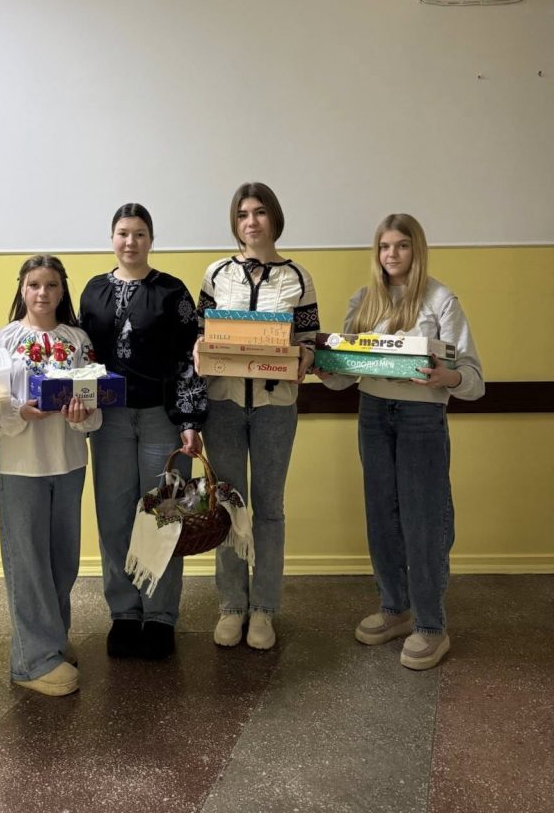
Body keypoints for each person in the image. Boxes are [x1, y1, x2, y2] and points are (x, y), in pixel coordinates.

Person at [317, 213, 484, 669]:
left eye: (402, 245)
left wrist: (447, 376)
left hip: (421, 417)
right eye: (385, 246)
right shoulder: (364, 300)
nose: (392, 254)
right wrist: (324, 367)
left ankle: (431, 624)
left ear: (417, 249)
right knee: (382, 516)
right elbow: (345, 374)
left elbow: (473, 378)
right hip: (373, 413)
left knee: (423, 518)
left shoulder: (441, 300)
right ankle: (395, 608)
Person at [79, 203, 207, 660]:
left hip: (161, 418)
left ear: (151, 239)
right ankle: (124, 612)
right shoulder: (93, 291)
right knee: (114, 519)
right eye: (122, 233)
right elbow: (83, 356)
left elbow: (191, 358)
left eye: (139, 233)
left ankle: (160, 615)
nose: (130, 241)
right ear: (112, 238)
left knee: (163, 516)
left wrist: (190, 420)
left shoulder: (172, 291)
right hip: (110, 420)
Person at [196, 182, 319, 651]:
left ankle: (264, 607)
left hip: (275, 407)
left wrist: (305, 357)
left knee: (268, 509)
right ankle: (232, 605)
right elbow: (201, 333)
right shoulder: (216, 274)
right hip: (223, 404)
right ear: (235, 222)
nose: (252, 222)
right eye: (243, 214)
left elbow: (308, 339)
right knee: (229, 506)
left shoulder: (298, 277)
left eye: (260, 212)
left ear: (274, 218)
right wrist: (200, 349)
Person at [0, 255, 102, 697]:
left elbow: (94, 399)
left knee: (62, 559)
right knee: (28, 563)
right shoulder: (3, 341)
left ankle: (52, 639)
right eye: (34, 284)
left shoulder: (78, 340)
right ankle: (30, 661)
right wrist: (20, 412)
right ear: (22, 288)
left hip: (68, 461)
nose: (42, 293)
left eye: (51, 285)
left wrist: (82, 414)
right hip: (21, 465)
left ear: (62, 290)